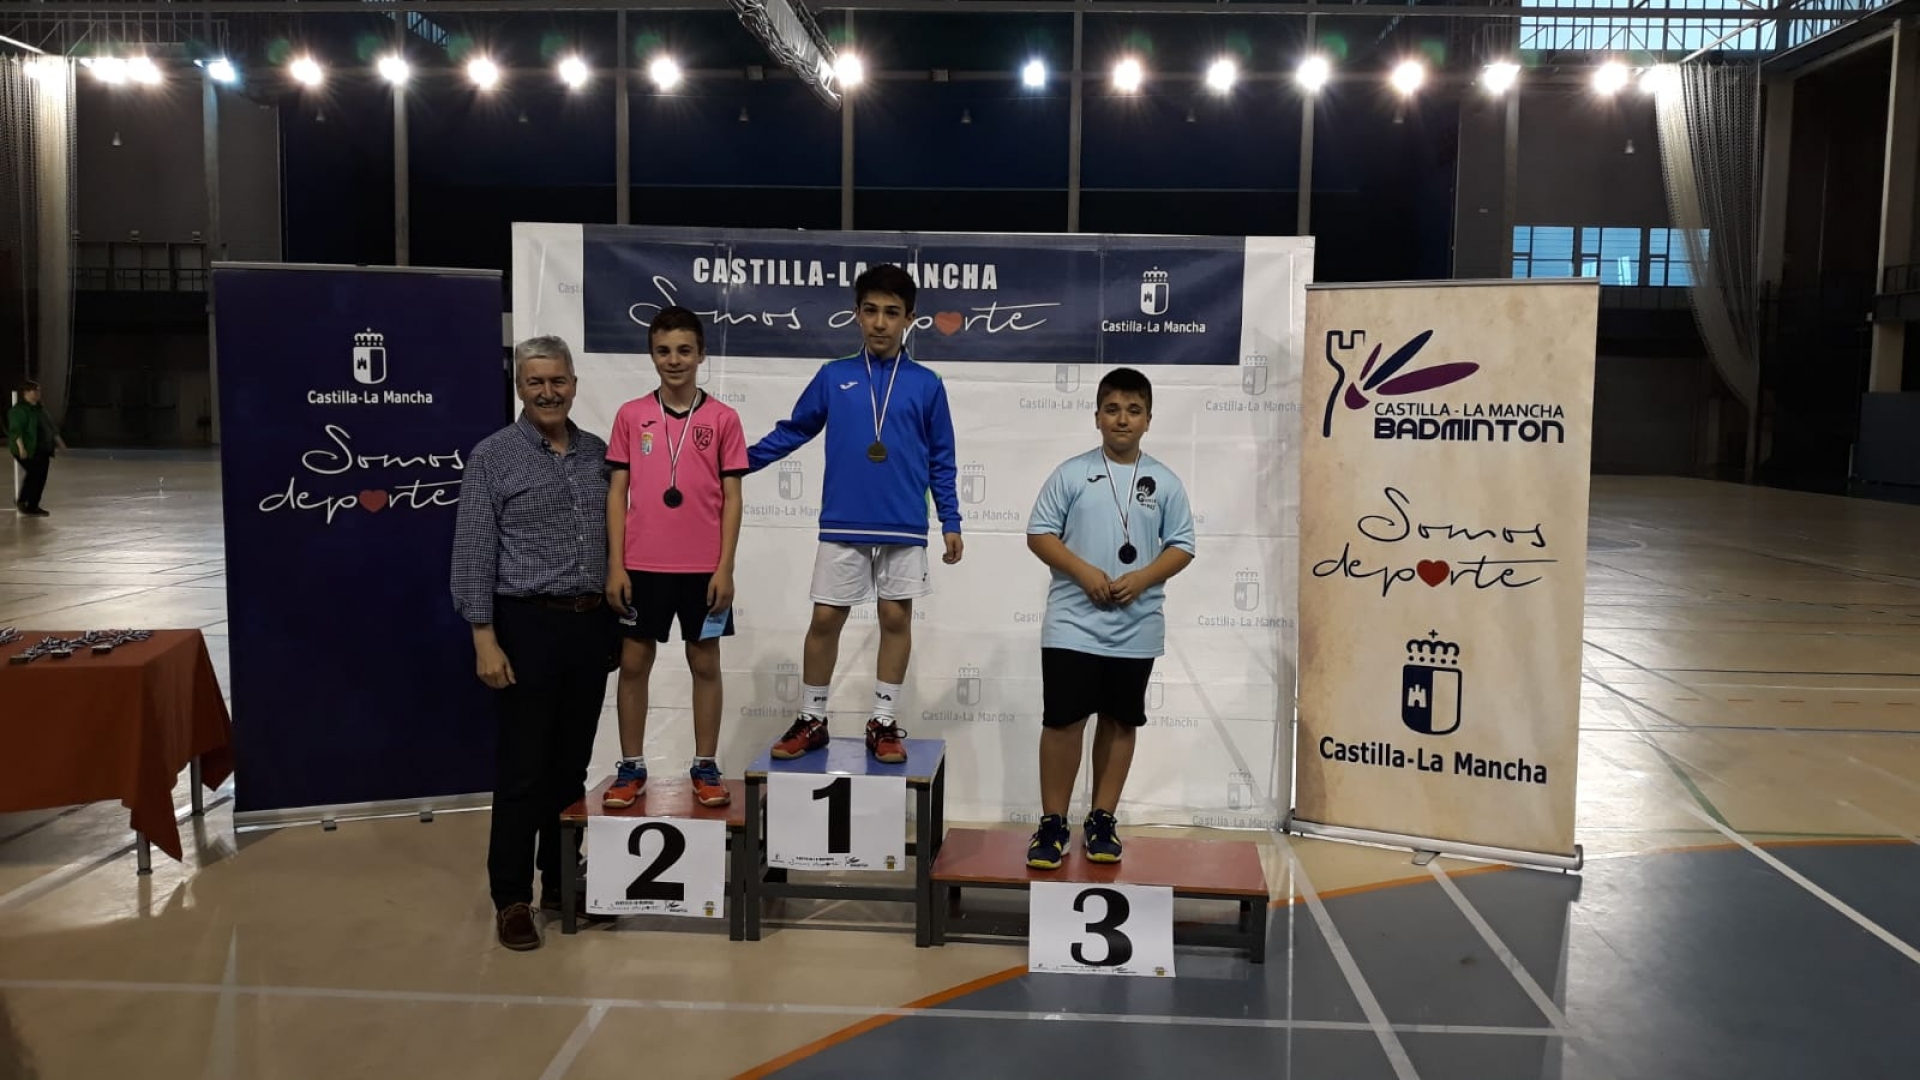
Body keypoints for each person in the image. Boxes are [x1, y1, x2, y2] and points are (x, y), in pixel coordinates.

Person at [748, 264, 963, 765]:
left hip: (903, 521)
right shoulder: (834, 375)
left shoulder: (927, 383)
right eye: (871, 311)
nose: (880, 322)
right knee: (825, 617)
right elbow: (794, 429)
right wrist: (739, 461)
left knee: (895, 616)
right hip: (844, 519)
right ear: (857, 314)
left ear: (910, 319)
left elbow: (942, 457)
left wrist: (950, 520)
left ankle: (883, 721)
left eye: (892, 312)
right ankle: (812, 718)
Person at [450, 335, 615, 952]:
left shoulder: (599, 454)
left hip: (589, 625)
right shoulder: (493, 457)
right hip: (524, 626)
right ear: (519, 387)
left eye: (558, 381)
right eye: (535, 382)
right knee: (523, 769)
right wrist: (483, 638)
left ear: (574, 383)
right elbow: (473, 551)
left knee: (570, 768)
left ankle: (562, 885)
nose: (548, 392)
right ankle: (512, 897)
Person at [1022, 367, 1195, 868]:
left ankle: (1102, 819)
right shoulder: (1071, 474)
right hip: (1072, 625)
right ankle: (1053, 823)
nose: (1122, 419)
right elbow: (1039, 534)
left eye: (1134, 410)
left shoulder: (1165, 481)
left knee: (1120, 721)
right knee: (1063, 721)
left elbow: (1182, 545)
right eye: (1112, 409)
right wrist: (1082, 572)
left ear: (1148, 420)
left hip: (1136, 626)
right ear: (1096, 416)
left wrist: (1142, 578)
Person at [602, 307, 747, 810]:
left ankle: (705, 765)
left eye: (685, 350)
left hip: (703, 569)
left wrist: (725, 567)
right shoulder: (630, 415)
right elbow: (616, 493)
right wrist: (616, 564)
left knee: (704, 661)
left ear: (702, 355)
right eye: (663, 351)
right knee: (633, 662)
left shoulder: (723, 419)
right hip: (642, 565)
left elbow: (733, 499)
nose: (674, 360)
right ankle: (631, 766)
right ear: (651, 355)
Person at [9, 381, 65, 517]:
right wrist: (21, 448)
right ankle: (22, 501)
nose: (38, 393)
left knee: (41, 477)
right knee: (34, 473)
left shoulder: (40, 409)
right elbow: (16, 430)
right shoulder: (19, 410)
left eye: (38, 390)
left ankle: (33, 505)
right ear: (26, 393)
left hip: (42, 449)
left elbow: (50, 426)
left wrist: (59, 441)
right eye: (35, 390)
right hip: (27, 449)